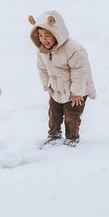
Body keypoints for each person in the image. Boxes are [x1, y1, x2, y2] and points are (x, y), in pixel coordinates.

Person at [28, 10, 96, 146]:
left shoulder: (74, 50)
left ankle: (72, 138)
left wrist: (77, 92)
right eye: (40, 36)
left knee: (72, 116)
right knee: (54, 113)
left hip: (77, 91)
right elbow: (42, 69)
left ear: (57, 33)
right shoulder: (42, 51)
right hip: (56, 89)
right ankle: (54, 134)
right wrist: (47, 85)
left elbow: (80, 71)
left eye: (47, 35)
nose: (43, 39)